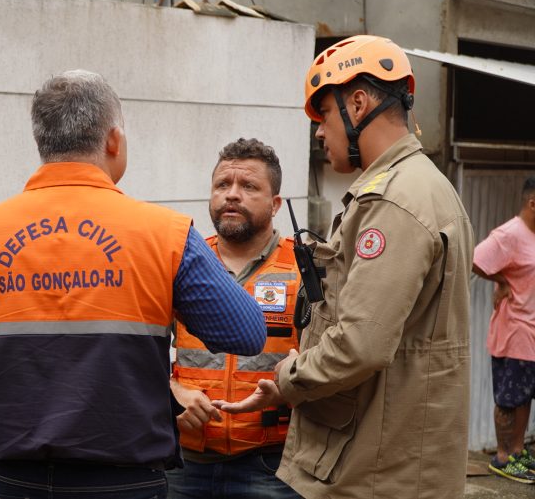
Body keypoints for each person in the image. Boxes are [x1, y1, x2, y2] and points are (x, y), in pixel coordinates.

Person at [0, 70, 268, 499]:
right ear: (114, 140)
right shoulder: (165, 234)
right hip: (126, 482)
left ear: (42, 143)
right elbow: (246, 332)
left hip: (13, 482)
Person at [214, 35, 474, 498]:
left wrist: (287, 379)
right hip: (385, 462)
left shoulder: (395, 201)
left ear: (358, 104)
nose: (318, 132)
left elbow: (361, 343)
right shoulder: (414, 187)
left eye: (325, 115)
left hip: (376, 473)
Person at [166, 138, 301, 499]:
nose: (232, 195)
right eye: (223, 185)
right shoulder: (183, 264)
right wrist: (172, 391)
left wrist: (292, 384)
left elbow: (332, 360)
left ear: (275, 205)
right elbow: (136, 350)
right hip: (184, 462)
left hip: (274, 466)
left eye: (248, 186)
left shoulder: (305, 270)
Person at [473, 177, 535, 484]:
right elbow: (476, 260)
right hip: (514, 332)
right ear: (531, 203)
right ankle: (502, 457)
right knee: (509, 398)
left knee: (525, 397)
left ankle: (518, 451)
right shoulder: (510, 234)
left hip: (531, 333)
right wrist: (501, 281)